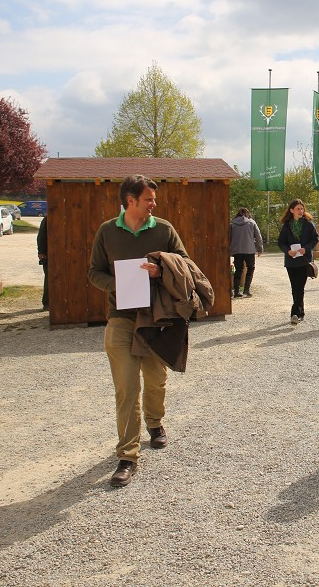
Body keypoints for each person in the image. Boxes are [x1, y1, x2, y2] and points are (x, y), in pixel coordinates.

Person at [88, 175, 189, 487]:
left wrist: (162, 270)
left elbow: (185, 263)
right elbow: (94, 272)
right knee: (127, 389)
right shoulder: (107, 231)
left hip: (155, 319)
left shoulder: (163, 229)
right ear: (130, 201)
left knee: (156, 380)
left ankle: (155, 423)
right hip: (120, 318)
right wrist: (116, 283)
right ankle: (128, 456)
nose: (153, 205)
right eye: (148, 199)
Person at [277, 199, 319, 325]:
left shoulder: (308, 224)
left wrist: (305, 248)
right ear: (291, 210)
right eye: (298, 209)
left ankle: (295, 313)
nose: (301, 211)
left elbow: (315, 239)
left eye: (302, 209)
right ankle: (299, 312)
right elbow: (281, 242)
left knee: (299, 287)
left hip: (304, 260)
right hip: (291, 261)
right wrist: (287, 251)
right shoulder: (286, 226)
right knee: (294, 287)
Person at [229, 207, 263, 298]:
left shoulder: (233, 224)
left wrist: (229, 250)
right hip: (249, 250)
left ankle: (236, 291)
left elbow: (228, 237)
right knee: (250, 269)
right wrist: (260, 249)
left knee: (238, 270)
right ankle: (246, 290)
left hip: (237, 251)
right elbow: (258, 236)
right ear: (248, 213)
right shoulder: (252, 222)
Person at [37, 215, 49, 309]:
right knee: (49, 279)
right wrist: (41, 251)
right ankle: (47, 303)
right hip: (49, 255)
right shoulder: (48, 218)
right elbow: (41, 235)